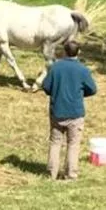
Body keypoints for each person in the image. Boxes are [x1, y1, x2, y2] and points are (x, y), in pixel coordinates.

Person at [42, 40, 97, 181]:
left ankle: (51, 174)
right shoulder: (83, 70)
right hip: (75, 113)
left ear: (64, 51)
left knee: (55, 142)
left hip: (57, 112)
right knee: (73, 144)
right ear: (78, 52)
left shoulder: (55, 68)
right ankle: (71, 175)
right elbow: (92, 89)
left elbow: (46, 87)